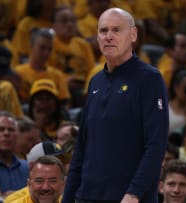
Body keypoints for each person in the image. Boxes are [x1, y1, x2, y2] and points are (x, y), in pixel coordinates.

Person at [62, 8, 169, 203]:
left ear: (133, 34)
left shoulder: (150, 79)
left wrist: (134, 193)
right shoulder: (95, 82)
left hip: (128, 198)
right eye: (103, 31)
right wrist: (67, 198)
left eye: (116, 30)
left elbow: (156, 145)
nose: (108, 37)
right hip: (87, 197)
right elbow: (82, 147)